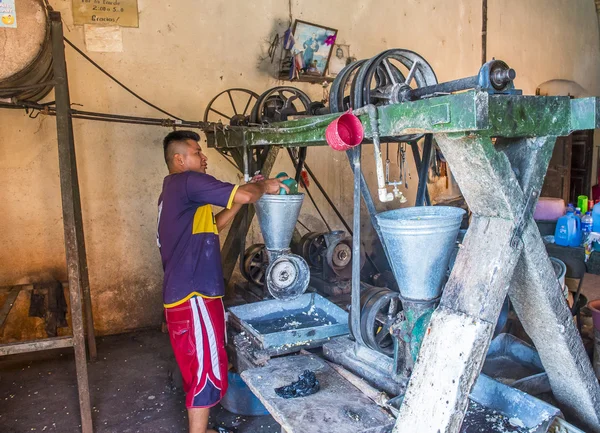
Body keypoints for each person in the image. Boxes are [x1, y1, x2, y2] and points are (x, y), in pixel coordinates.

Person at [156, 130, 288, 433]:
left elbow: (215, 223)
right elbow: (243, 193)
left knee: (198, 365)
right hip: (194, 295)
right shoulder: (187, 181)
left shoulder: (174, 192)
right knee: (204, 369)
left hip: (190, 294)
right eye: (197, 152)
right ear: (179, 159)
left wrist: (245, 196)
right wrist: (264, 185)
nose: (204, 158)